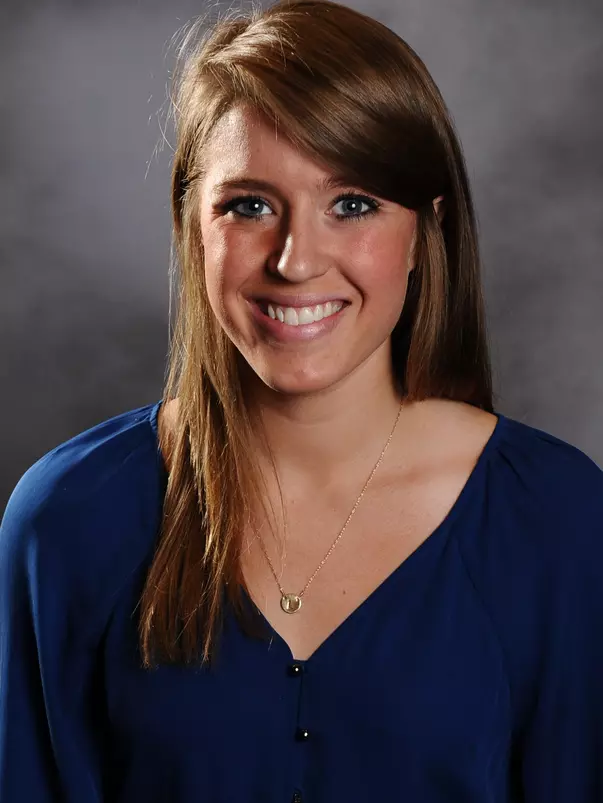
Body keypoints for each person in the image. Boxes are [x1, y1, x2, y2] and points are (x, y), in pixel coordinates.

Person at [1, 0, 602, 800]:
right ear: (191, 226)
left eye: (351, 203)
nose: (294, 259)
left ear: (427, 231)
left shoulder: (556, 518)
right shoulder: (67, 516)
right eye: (247, 204)